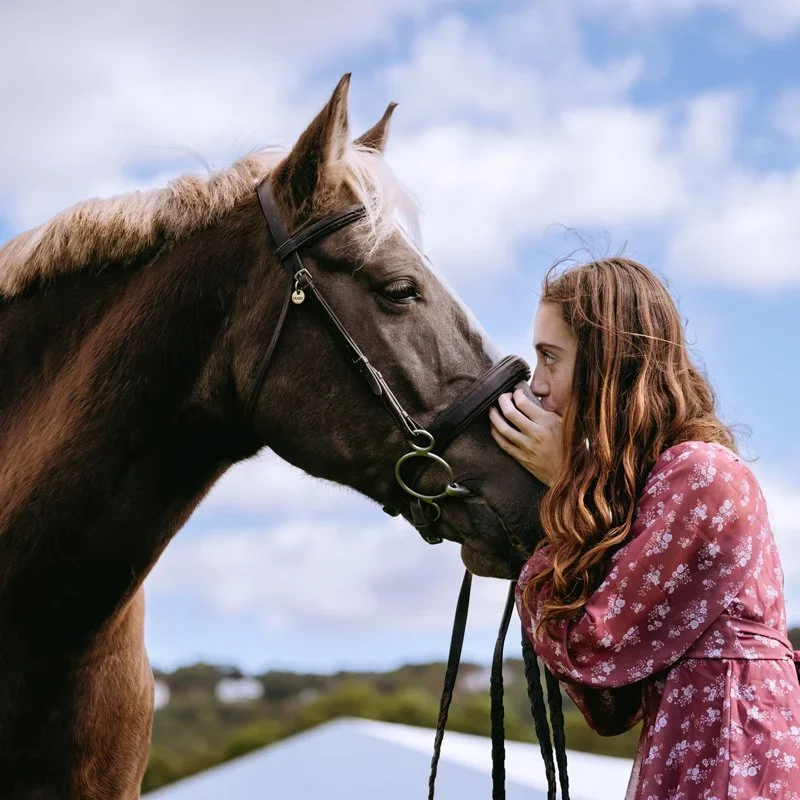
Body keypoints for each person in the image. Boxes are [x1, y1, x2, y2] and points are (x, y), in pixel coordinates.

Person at [489, 257, 800, 800]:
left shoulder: (700, 472)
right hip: (698, 743)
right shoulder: (663, 481)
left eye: (549, 358)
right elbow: (613, 702)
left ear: (607, 365)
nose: (535, 386)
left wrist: (564, 487)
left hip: (729, 752)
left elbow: (594, 645)